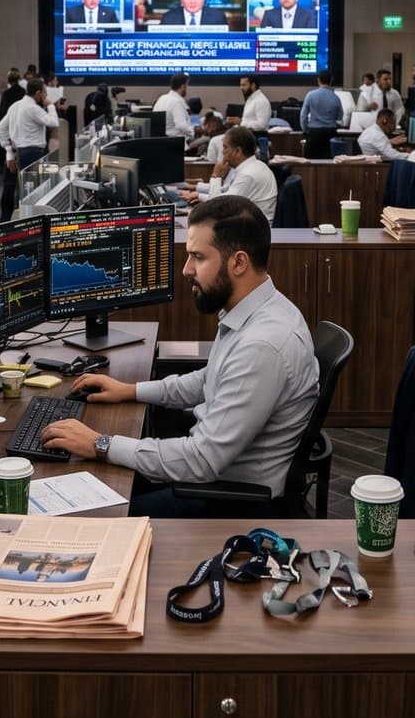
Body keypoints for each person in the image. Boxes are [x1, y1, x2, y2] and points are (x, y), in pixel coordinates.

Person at [40, 196, 318, 517]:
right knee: (92, 477)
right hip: (209, 474)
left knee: (92, 514)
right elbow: (207, 380)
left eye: (198, 257)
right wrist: (130, 391)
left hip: (225, 498)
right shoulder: (257, 308)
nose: (186, 270)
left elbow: (201, 462)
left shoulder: (262, 345)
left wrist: (100, 444)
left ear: (238, 262)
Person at [0, 76, 59, 221]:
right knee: (31, 193)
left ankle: (4, 222)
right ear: (37, 93)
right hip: (33, 154)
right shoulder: (33, 109)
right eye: (44, 93)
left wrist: (9, 151)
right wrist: (50, 106)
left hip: (18, 153)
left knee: (10, 189)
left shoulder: (15, 106)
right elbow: (53, 122)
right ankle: (29, 223)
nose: (46, 96)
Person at [181, 127, 277, 220]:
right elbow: (226, 191)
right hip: (248, 221)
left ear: (238, 151)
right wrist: (198, 193)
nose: (222, 152)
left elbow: (218, 207)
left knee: (195, 220)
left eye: (225, 147)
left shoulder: (247, 175)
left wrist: (216, 176)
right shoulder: (250, 166)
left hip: (254, 230)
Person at [298, 72, 343, 159]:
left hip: (314, 133)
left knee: (310, 162)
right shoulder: (336, 97)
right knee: (329, 162)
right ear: (331, 81)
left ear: (318, 80)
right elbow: (340, 117)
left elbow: (303, 115)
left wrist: (305, 130)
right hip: (331, 134)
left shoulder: (310, 95)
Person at [153, 73, 194, 138]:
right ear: (183, 86)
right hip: (177, 141)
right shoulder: (177, 101)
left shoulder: (162, 98)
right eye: (187, 85)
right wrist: (195, 131)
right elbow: (181, 125)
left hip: (163, 140)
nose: (187, 88)